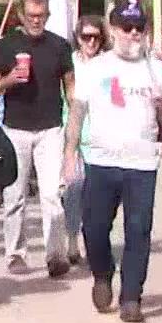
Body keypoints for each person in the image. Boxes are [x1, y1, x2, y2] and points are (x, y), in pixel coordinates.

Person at [62, 0, 162, 323]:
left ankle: (131, 297)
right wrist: (70, 153)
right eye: (127, 28)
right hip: (100, 160)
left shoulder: (157, 69)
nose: (134, 34)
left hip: (141, 163)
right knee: (94, 229)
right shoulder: (96, 68)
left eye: (139, 28)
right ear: (113, 31)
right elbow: (78, 112)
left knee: (138, 230)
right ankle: (102, 273)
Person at [0, 0, 76, 277]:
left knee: (52, 196)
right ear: (21, 16)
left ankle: (55, 255)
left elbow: (71, 86)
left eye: (42, 15)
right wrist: (11, 78)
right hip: (15, 128)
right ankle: (15, 254)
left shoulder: (60, 46)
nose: (37, 21)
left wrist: (76, 114)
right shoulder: (6, 46)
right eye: (32, 16)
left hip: (50, 128)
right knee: (15, 195)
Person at [62, 15, 108, 269]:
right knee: (73, 188)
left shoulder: (108, 64)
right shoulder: (69, 63)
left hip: (101, 133)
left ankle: (94, 239)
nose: (91, 42)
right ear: (77, 38)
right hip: (73, 131)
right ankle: (72, 241)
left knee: (97, 193)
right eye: (85, 37)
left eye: (96, 37)